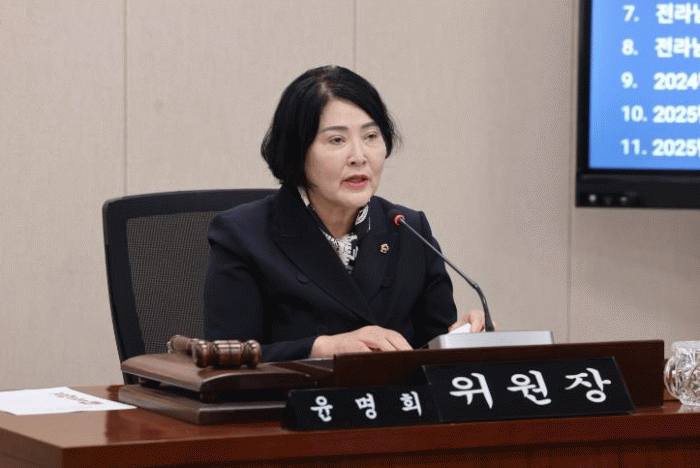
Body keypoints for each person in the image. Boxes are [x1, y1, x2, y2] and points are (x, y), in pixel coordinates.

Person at [204, 65, 485, 362]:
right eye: (337, 140)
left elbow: (435, 361)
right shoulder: (243, 236)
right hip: (296, 393)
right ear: (297, 151)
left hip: (389, 393)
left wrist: (462, 338)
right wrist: (320, 349)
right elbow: (225, 359)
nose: (359, 157)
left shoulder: (409, 230)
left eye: (371, 136)